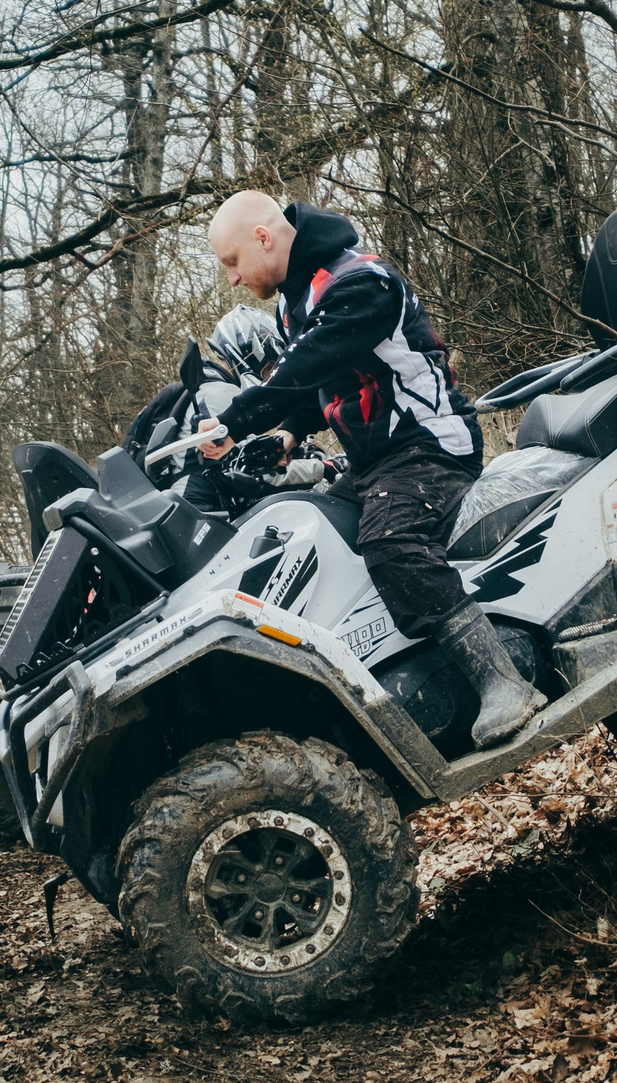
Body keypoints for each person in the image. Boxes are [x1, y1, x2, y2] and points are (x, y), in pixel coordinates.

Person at [201, 190, 544, 748]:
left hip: (429, 447)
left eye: (232, 263)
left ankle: (501, 680)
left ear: (263, 238)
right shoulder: (296, 302)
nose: (233, 280)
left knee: (389, 541)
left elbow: (309, 363)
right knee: (316, 530)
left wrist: (237, 420)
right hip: (377, 463)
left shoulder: (359, 281)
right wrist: (287, 434)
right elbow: (326, 383)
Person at [123, 305, 286, 512]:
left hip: (198, 503)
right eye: (268, 367)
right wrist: (322, 468)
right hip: (198, 508)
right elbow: (251, 466)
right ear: (248, 355)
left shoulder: (206, 388)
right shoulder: (219, 392)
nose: (269, 376)